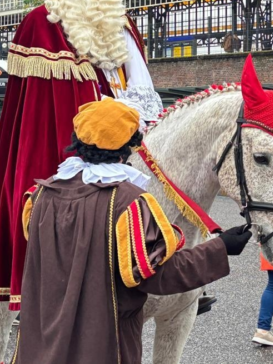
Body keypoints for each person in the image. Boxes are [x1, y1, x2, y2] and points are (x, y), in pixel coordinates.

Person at [0, 0, 164, 312]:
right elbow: (31, 108)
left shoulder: (121, 27)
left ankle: (159, 275)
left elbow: (139, 87)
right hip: (58, 141)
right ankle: (35, 284)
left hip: (123, 136)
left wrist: (140, 123)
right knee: (35, 192)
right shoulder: (40, 22)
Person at [14, 98, 252, 363]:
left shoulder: (40, 196)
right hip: (101, 343)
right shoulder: (129, 202)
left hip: (42, 341)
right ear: (127, 148)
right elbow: (155, 275)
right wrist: (220, 248)